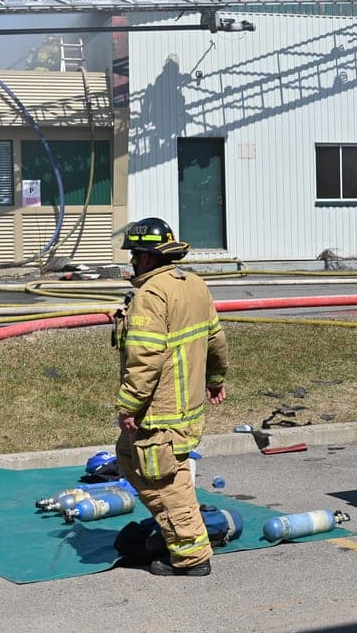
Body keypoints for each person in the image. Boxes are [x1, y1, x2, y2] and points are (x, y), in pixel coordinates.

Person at [113, 217, 228, 576]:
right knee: (130, 456)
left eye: (134, 255)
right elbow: (216, 339)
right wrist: (215, 379)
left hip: (159, 409)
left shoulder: (150, 295)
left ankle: (191, 555)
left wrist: (130, 405)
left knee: (165, 480)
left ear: (147, 258)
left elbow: (144, 358)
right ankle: (176, 532)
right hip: (187, 407)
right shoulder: (193, 285)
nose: (132, 262)